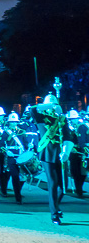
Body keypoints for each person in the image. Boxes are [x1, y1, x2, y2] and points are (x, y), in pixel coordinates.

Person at [30, 93, 77, 225]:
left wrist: (66, 152)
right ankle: (54, 214)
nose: (53, 107)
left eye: (55, 103)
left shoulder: (62, 119)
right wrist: (50, 104)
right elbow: (32, 109)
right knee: (53, 183)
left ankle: (56, 206)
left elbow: (68, 136)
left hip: (61, 155)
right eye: (51, 104)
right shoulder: (41, 116)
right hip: (47, 154)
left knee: (63, 187)